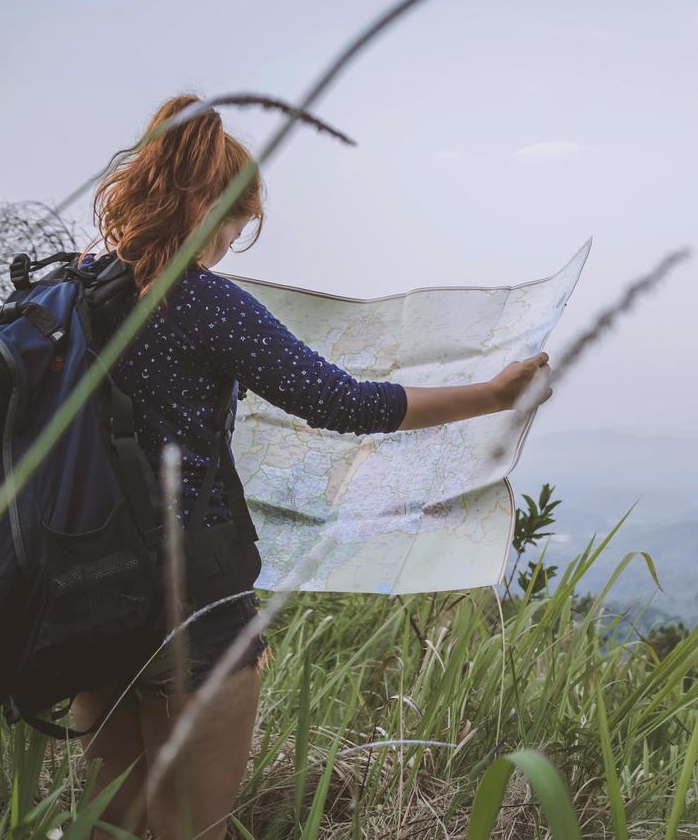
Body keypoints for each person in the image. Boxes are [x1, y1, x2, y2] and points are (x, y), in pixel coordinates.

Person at [70, 94, 549, 839]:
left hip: (87, 591)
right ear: (214, 208)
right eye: (239, 222)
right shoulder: (205, 303)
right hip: (189, 600)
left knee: (112, 826)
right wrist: (490, 394)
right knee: (189, 829)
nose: (234, 240)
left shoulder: (68, 293)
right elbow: (345, 403)